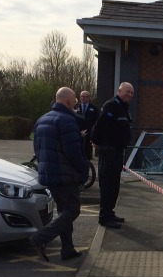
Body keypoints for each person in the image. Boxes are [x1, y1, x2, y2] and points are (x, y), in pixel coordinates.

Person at [29, 87, 88, 262]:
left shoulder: (42, 119)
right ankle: (41, 238)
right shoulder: (67, 121)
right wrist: (84, 169)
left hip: (49, 173)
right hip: (65, 174)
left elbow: (37, 149)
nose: (76, 103)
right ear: (69, 101)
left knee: (64, 211)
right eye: (75, 100)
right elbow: (73, 152)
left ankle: (67, 249)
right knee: (72, 210)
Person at [91, 82, 134, 229]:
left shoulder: (122, 108)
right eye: (127, 92)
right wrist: (96, 141)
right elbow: (100, 125)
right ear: (119, 91)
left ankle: (110, 213)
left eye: (131, 93)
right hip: (109, 151)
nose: (129, 95)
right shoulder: (112, 106)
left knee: (114, 185)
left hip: (117, 151)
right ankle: (104, 217)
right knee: (107, 185)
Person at [75, 90, 100, 160]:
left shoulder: (94, 108)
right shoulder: (76, 107)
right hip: (78, 133)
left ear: (89, 98)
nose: (83, 98)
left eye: (85, 97)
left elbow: (97, 121)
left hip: (88, 134)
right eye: (81, 97)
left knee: (87, 153)